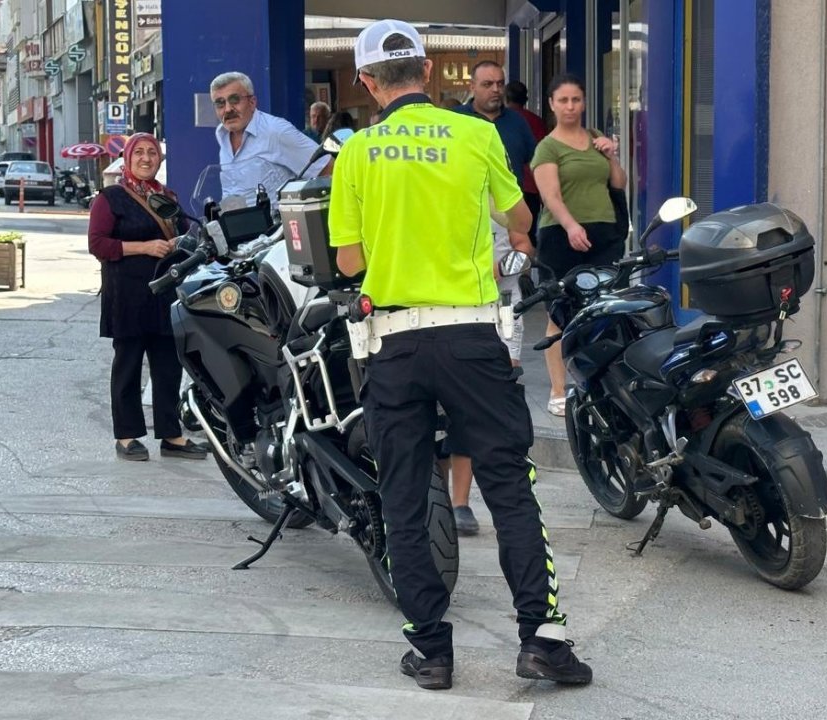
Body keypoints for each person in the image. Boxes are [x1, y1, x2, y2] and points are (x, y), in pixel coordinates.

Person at [329, 18, 592, 691]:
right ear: (427, 72)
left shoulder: (356, 153)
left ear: (366, 81)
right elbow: (522, 220)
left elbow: (349, 259)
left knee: (406, 496)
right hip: (473, 336)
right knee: (510, 485)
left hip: (395, 342)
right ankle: (542, 639)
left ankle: (432, 651)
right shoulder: (476, 135)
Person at [447, 60, 539, 536]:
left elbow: (523, 236)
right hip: (445, 305)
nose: (496, 90)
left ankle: (474, 500)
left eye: (501, 84)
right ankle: (445, 498)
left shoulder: (504, 185)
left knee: (492, 400)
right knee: (447, 404)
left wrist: (514, 262)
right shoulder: (444, 191)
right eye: (487, 83)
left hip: (499, 304)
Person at [88, 133, 209, 463]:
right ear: (127, 159)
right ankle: (127, 437)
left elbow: (187, 230)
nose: (146, 158)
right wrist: (144, 247)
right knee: (127, 366)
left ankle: (171, 436)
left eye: (152, 153)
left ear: (159, 159)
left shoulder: (166, 196)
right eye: (138, 152)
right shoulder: (110, 198)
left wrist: (182, 242)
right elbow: (98, 244)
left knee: (168, 367)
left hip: (164, 294)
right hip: (126, 295)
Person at [532, 74, 626, 416]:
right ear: (553, 105)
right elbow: (550, 195)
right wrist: (571, 225)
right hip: (561, 235)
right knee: (560, 312)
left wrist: (612, 155)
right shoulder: (548, 147)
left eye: (576, 100)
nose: (570, 106)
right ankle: (559, 389)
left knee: (605, 309)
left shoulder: (596, 138)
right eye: (564, 101)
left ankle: (601, 384)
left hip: (604, 234)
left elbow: (618, 183)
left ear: (583, 103)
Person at [209, 72, 332, 209]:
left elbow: (327, 167)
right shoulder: (223, 136)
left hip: (277, 228)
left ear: (252, 102)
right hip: (236, 227)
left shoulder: (276, 132)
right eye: (220, 103)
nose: (227, 109)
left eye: (234, 100)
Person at [505, 80, 548, 234]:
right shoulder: (536, 121)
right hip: (532, 186)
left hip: (509, 187)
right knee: (528, 234)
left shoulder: (504, 121)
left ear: (506, 98)